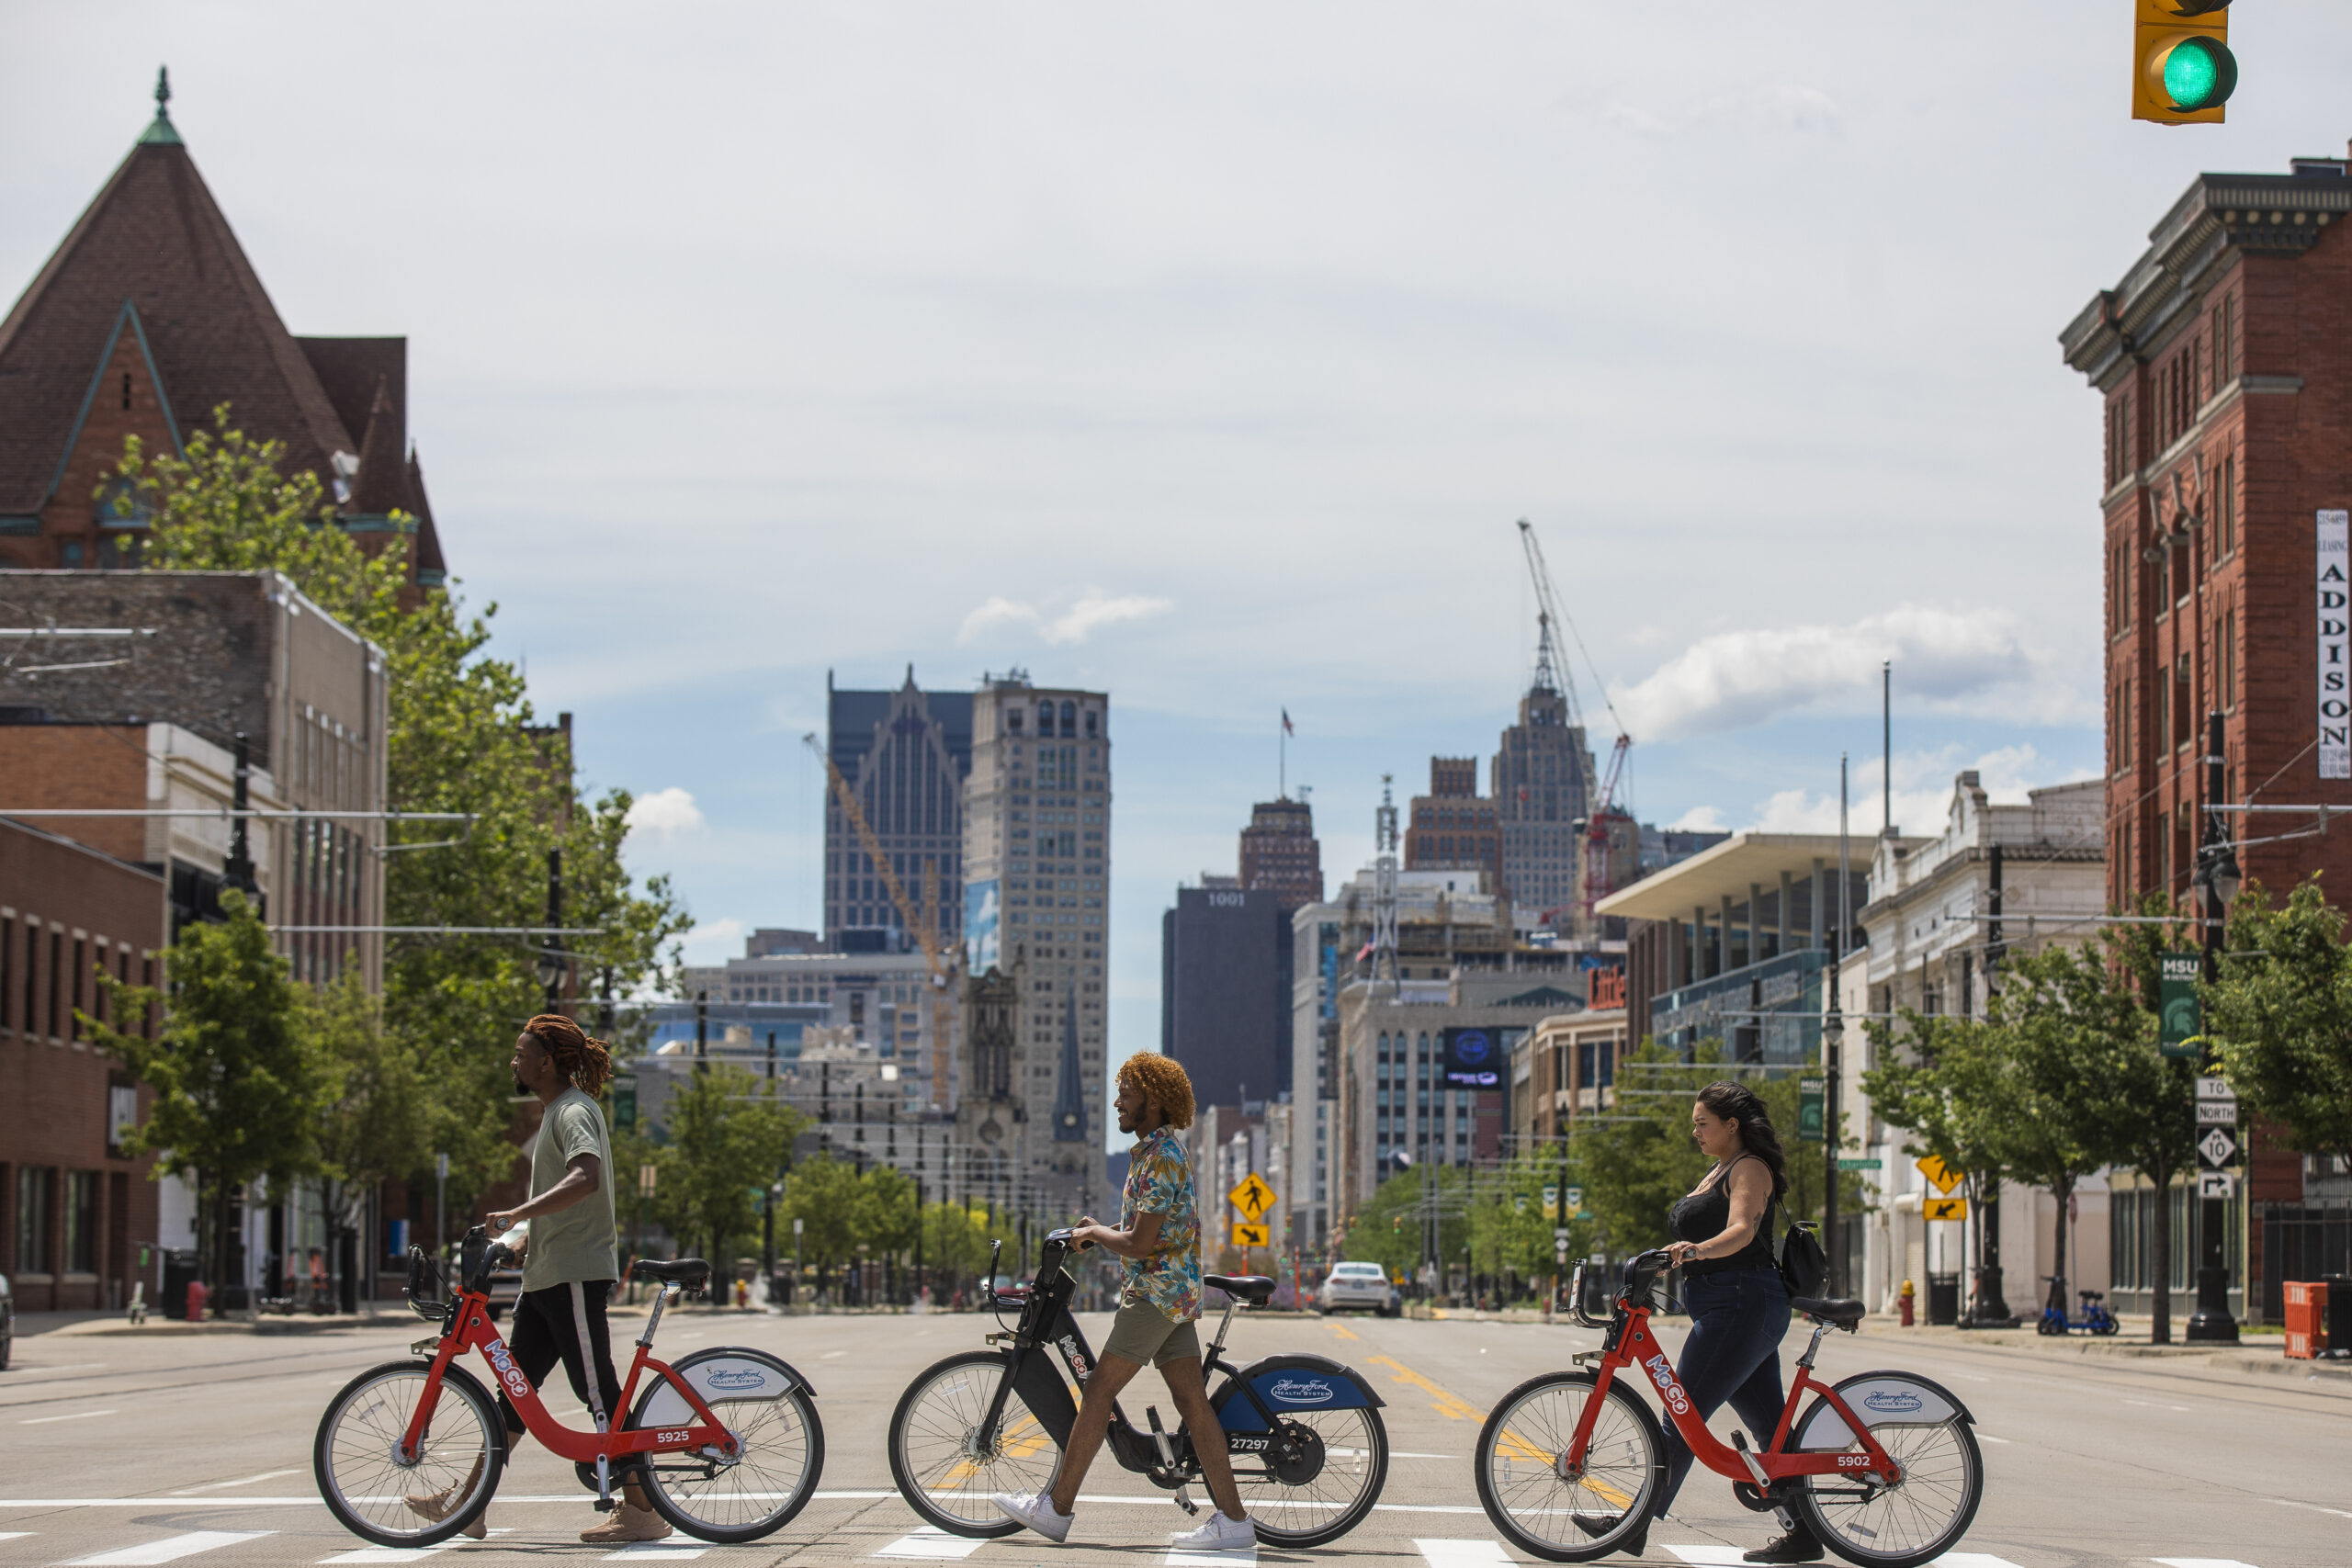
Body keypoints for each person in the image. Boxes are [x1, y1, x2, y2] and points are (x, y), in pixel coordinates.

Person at [404, 1015, 668, 1546]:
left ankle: (642, 1510)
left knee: (600, 1394)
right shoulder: (553, 1112)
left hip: (573, 1274)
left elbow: (585, 1177)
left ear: (547, 1062)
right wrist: (525, 1232)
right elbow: (563, 1192)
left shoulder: (573, 1111)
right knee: (514, 1397)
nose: (514, 1061)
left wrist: (517, 1212)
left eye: (522, 1053)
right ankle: (469, 1507)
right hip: (546, 1276)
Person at [993, 1052, 1256, 1552]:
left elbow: (1139, 1245)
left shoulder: (1161, 1159)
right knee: (1192, 1402)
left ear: (1152, 1103)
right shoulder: (1156, 1154)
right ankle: (1234, 1521)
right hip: (1168, 1291)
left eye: (1127, 1095)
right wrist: (1097, 1233)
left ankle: (1057, 1508)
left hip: (1155, 1296)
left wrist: (1099, 1233)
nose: (1118, 1102)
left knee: (1097, 1393)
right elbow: (1144, 1233)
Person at [1633, 1079, 1814, 1564]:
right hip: (1728, 1304)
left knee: (1683, 1414)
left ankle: (1633, 1524)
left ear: (1731, 1125)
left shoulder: (1750, 1167)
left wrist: (1694, 1250)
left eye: (1702, 1123)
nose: (1695, 1131)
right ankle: (1805, 1531)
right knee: (1771, 1429)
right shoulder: (1719, 1170)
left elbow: (1742, 1230)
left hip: (1742, 1303)